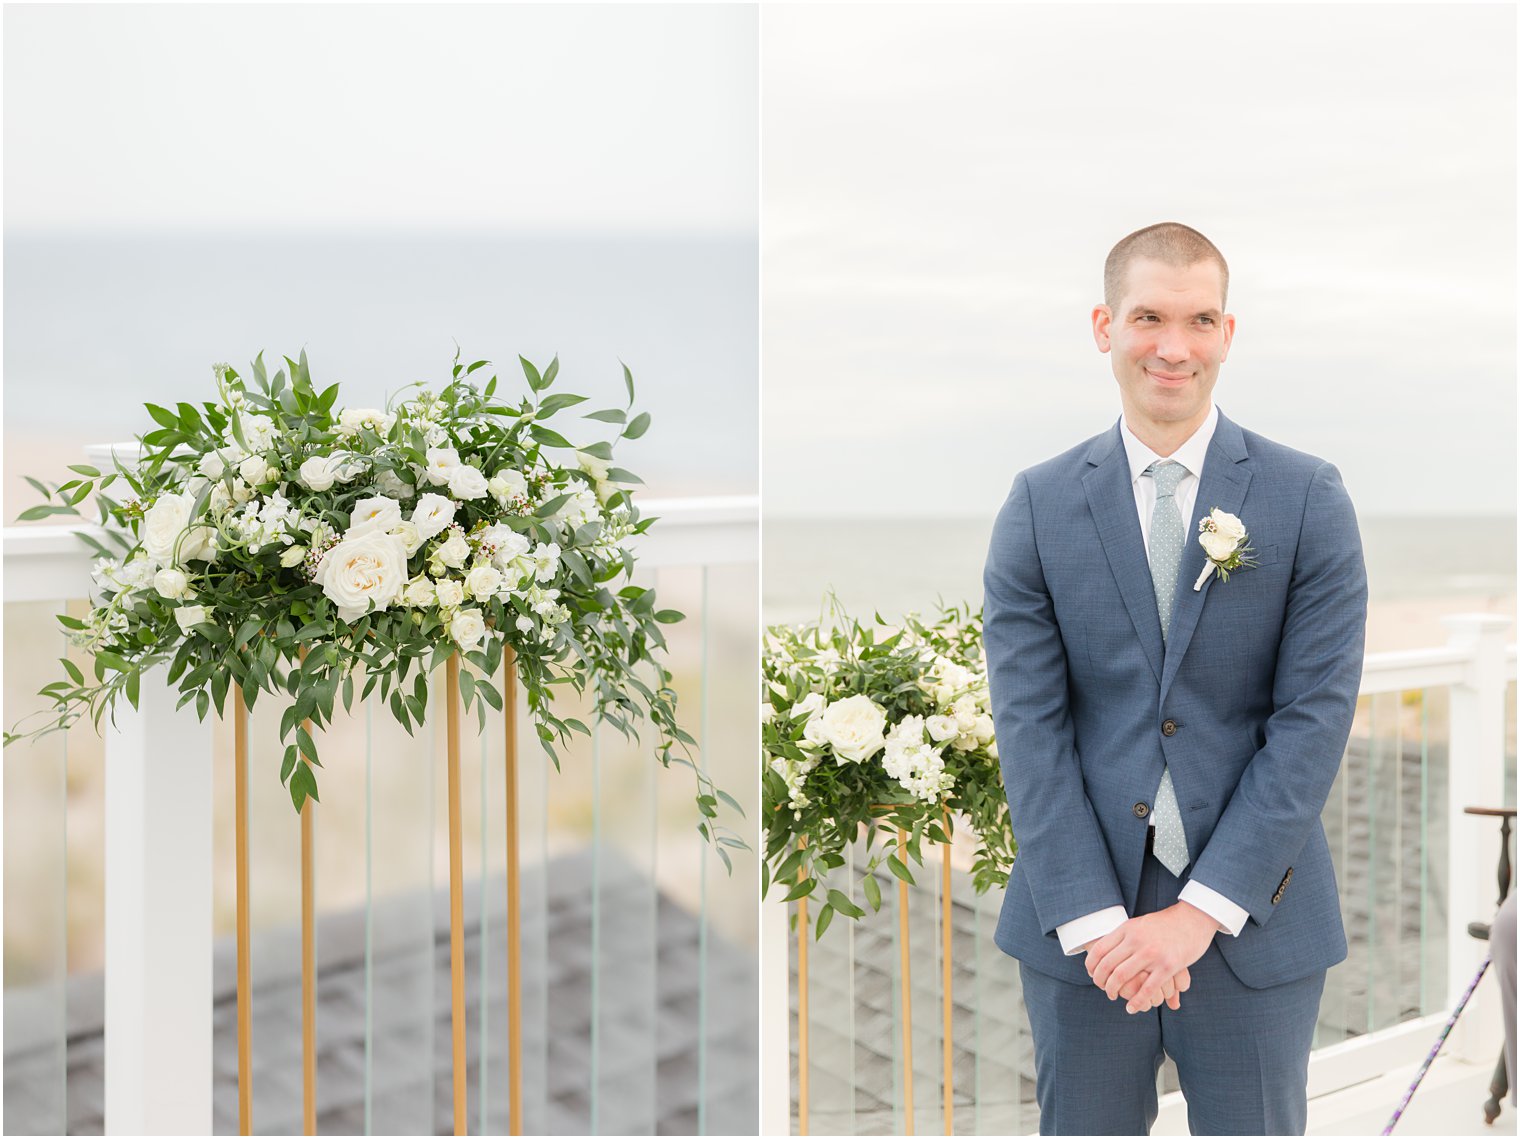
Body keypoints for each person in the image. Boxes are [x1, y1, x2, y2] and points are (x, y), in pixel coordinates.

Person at [982, 222, 1367, 1135]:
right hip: (1085, 927)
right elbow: (1028, 728)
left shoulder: (1308, 495)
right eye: (1148, 316)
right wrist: (1093, 922)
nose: (1173, 346)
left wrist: (1199, 913)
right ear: (1103, 326)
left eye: (1199, 320)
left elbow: (1312, 721)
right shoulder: (1036, 504)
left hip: (1250, 916)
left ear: (1228, 333)